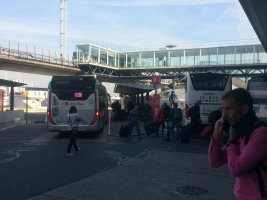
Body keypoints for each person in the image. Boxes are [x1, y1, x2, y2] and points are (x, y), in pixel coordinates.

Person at [208, 88, 267, 200]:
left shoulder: (261, 133)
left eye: (228, 109)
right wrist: (216, 137)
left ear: (244, 109)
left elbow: (236, 169)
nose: (224, 115)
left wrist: (232, 142)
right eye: (223, 110)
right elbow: (215, 162)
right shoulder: (241, 131)